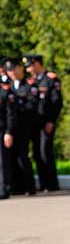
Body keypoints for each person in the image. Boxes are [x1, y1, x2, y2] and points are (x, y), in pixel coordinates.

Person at [23, 54, 62, 192]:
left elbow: (56, 103)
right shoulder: (30, 82)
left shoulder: (50, 79)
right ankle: (43, 183)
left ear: (38, 64)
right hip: (34, 123)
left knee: (46, 151)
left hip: (46, 122)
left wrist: (51, 120)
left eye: (30, 65)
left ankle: (52, 184)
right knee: (36, 153)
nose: (28, 69)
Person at [5, 59, 40, 195]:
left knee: (22, 156)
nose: (12, 73)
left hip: (24, 126)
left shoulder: (30, 85)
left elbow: (32, 105)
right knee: (11, 157)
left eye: (14, 69)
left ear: (21, 68)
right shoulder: (7, 86)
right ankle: (15, 186)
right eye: (9, 70)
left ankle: (29, 186)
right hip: (10, 127)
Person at [0, 69, 16, 199]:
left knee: (2, 162)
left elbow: (10, 114)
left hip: (2, 130)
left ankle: (3, 189)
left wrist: (8, 132)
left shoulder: (4, 91)